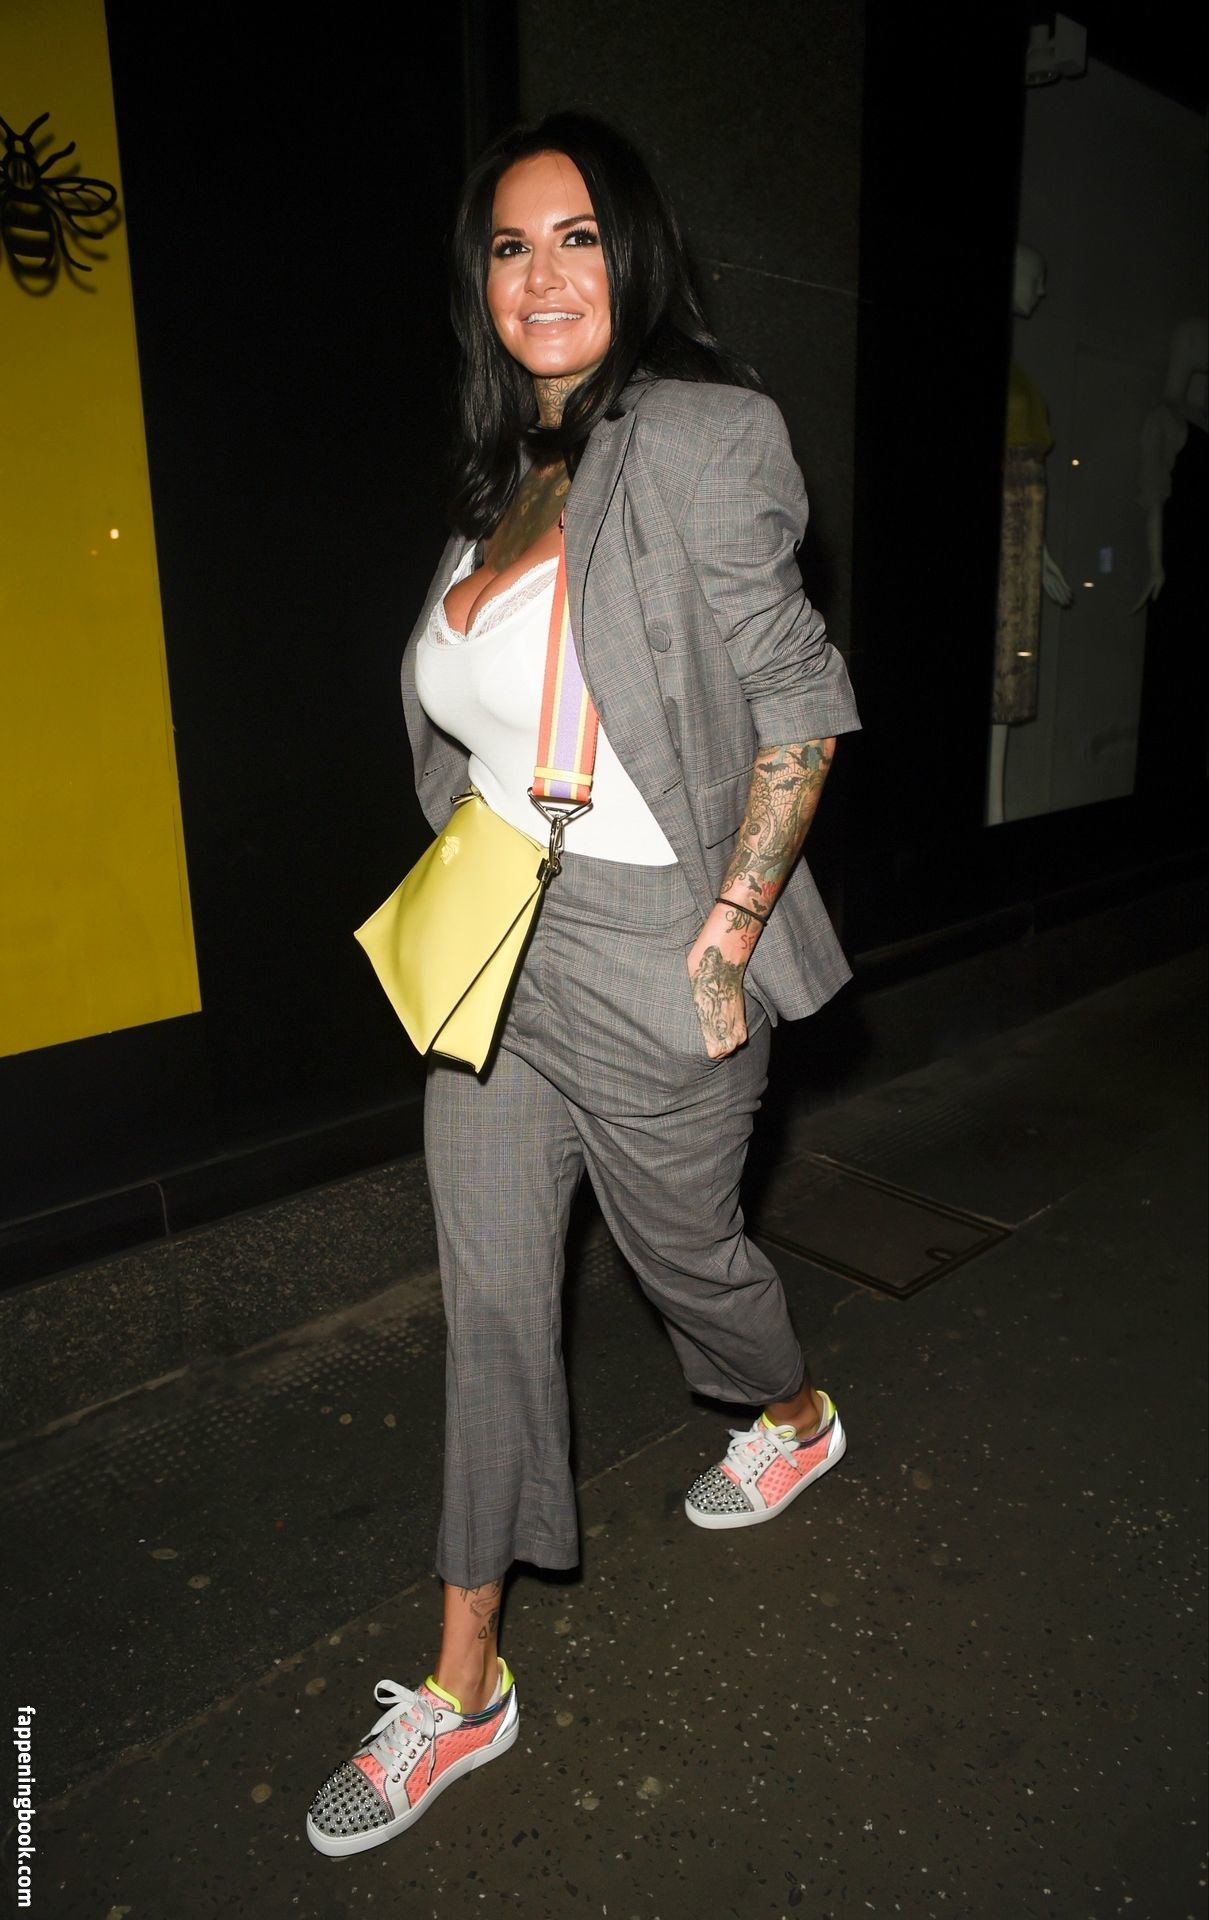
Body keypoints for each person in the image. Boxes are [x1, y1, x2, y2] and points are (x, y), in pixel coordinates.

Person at [307, 112, 861, 1856]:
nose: (541, 275)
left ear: (634, 253)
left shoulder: (703, 435)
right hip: (498, 936)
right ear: (478, 280)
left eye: (575, 238)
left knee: (688, 1261)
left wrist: (729, 929)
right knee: (487, 1302)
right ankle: (463, 1683)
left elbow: (797, 699)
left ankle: (791, 1411)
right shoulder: (502, 474)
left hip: (647, 941)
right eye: (508, 245)